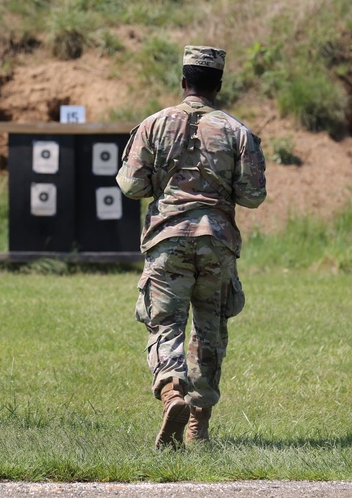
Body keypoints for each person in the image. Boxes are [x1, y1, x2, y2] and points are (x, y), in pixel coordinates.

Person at [116, 45, 267, 450]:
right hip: (216, 242)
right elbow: (252, 196)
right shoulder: (237, 132)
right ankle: (199, 423)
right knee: (210, 330)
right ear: (218, 85)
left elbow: (131, 185)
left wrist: (162, 185)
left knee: (165, 323)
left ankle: (171, 393)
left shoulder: (153, 124)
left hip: (167, 239)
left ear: (184, 82)